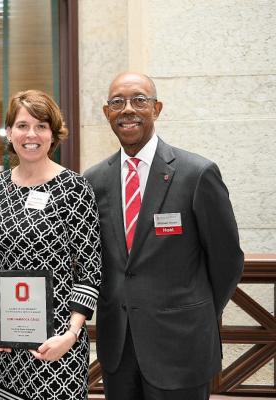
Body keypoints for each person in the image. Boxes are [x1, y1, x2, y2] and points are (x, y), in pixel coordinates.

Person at [83, 72, 244, 400]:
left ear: (156, 108)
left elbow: (227, 260)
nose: (127, 109)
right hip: (119, 350)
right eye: (117, 102)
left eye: (139, 100)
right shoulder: (94, 180)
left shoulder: (196, 174)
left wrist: (194, 314)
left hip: (180, 346)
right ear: (106, 113)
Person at [0, 90, 102, 400]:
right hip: (7, 341)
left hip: (57, 344)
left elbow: (90, 267)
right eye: (22, 125)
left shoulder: (74, 187)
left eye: (41, 126)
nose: (31, 134)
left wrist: (71, 334)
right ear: (10, 132)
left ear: (53, 133)